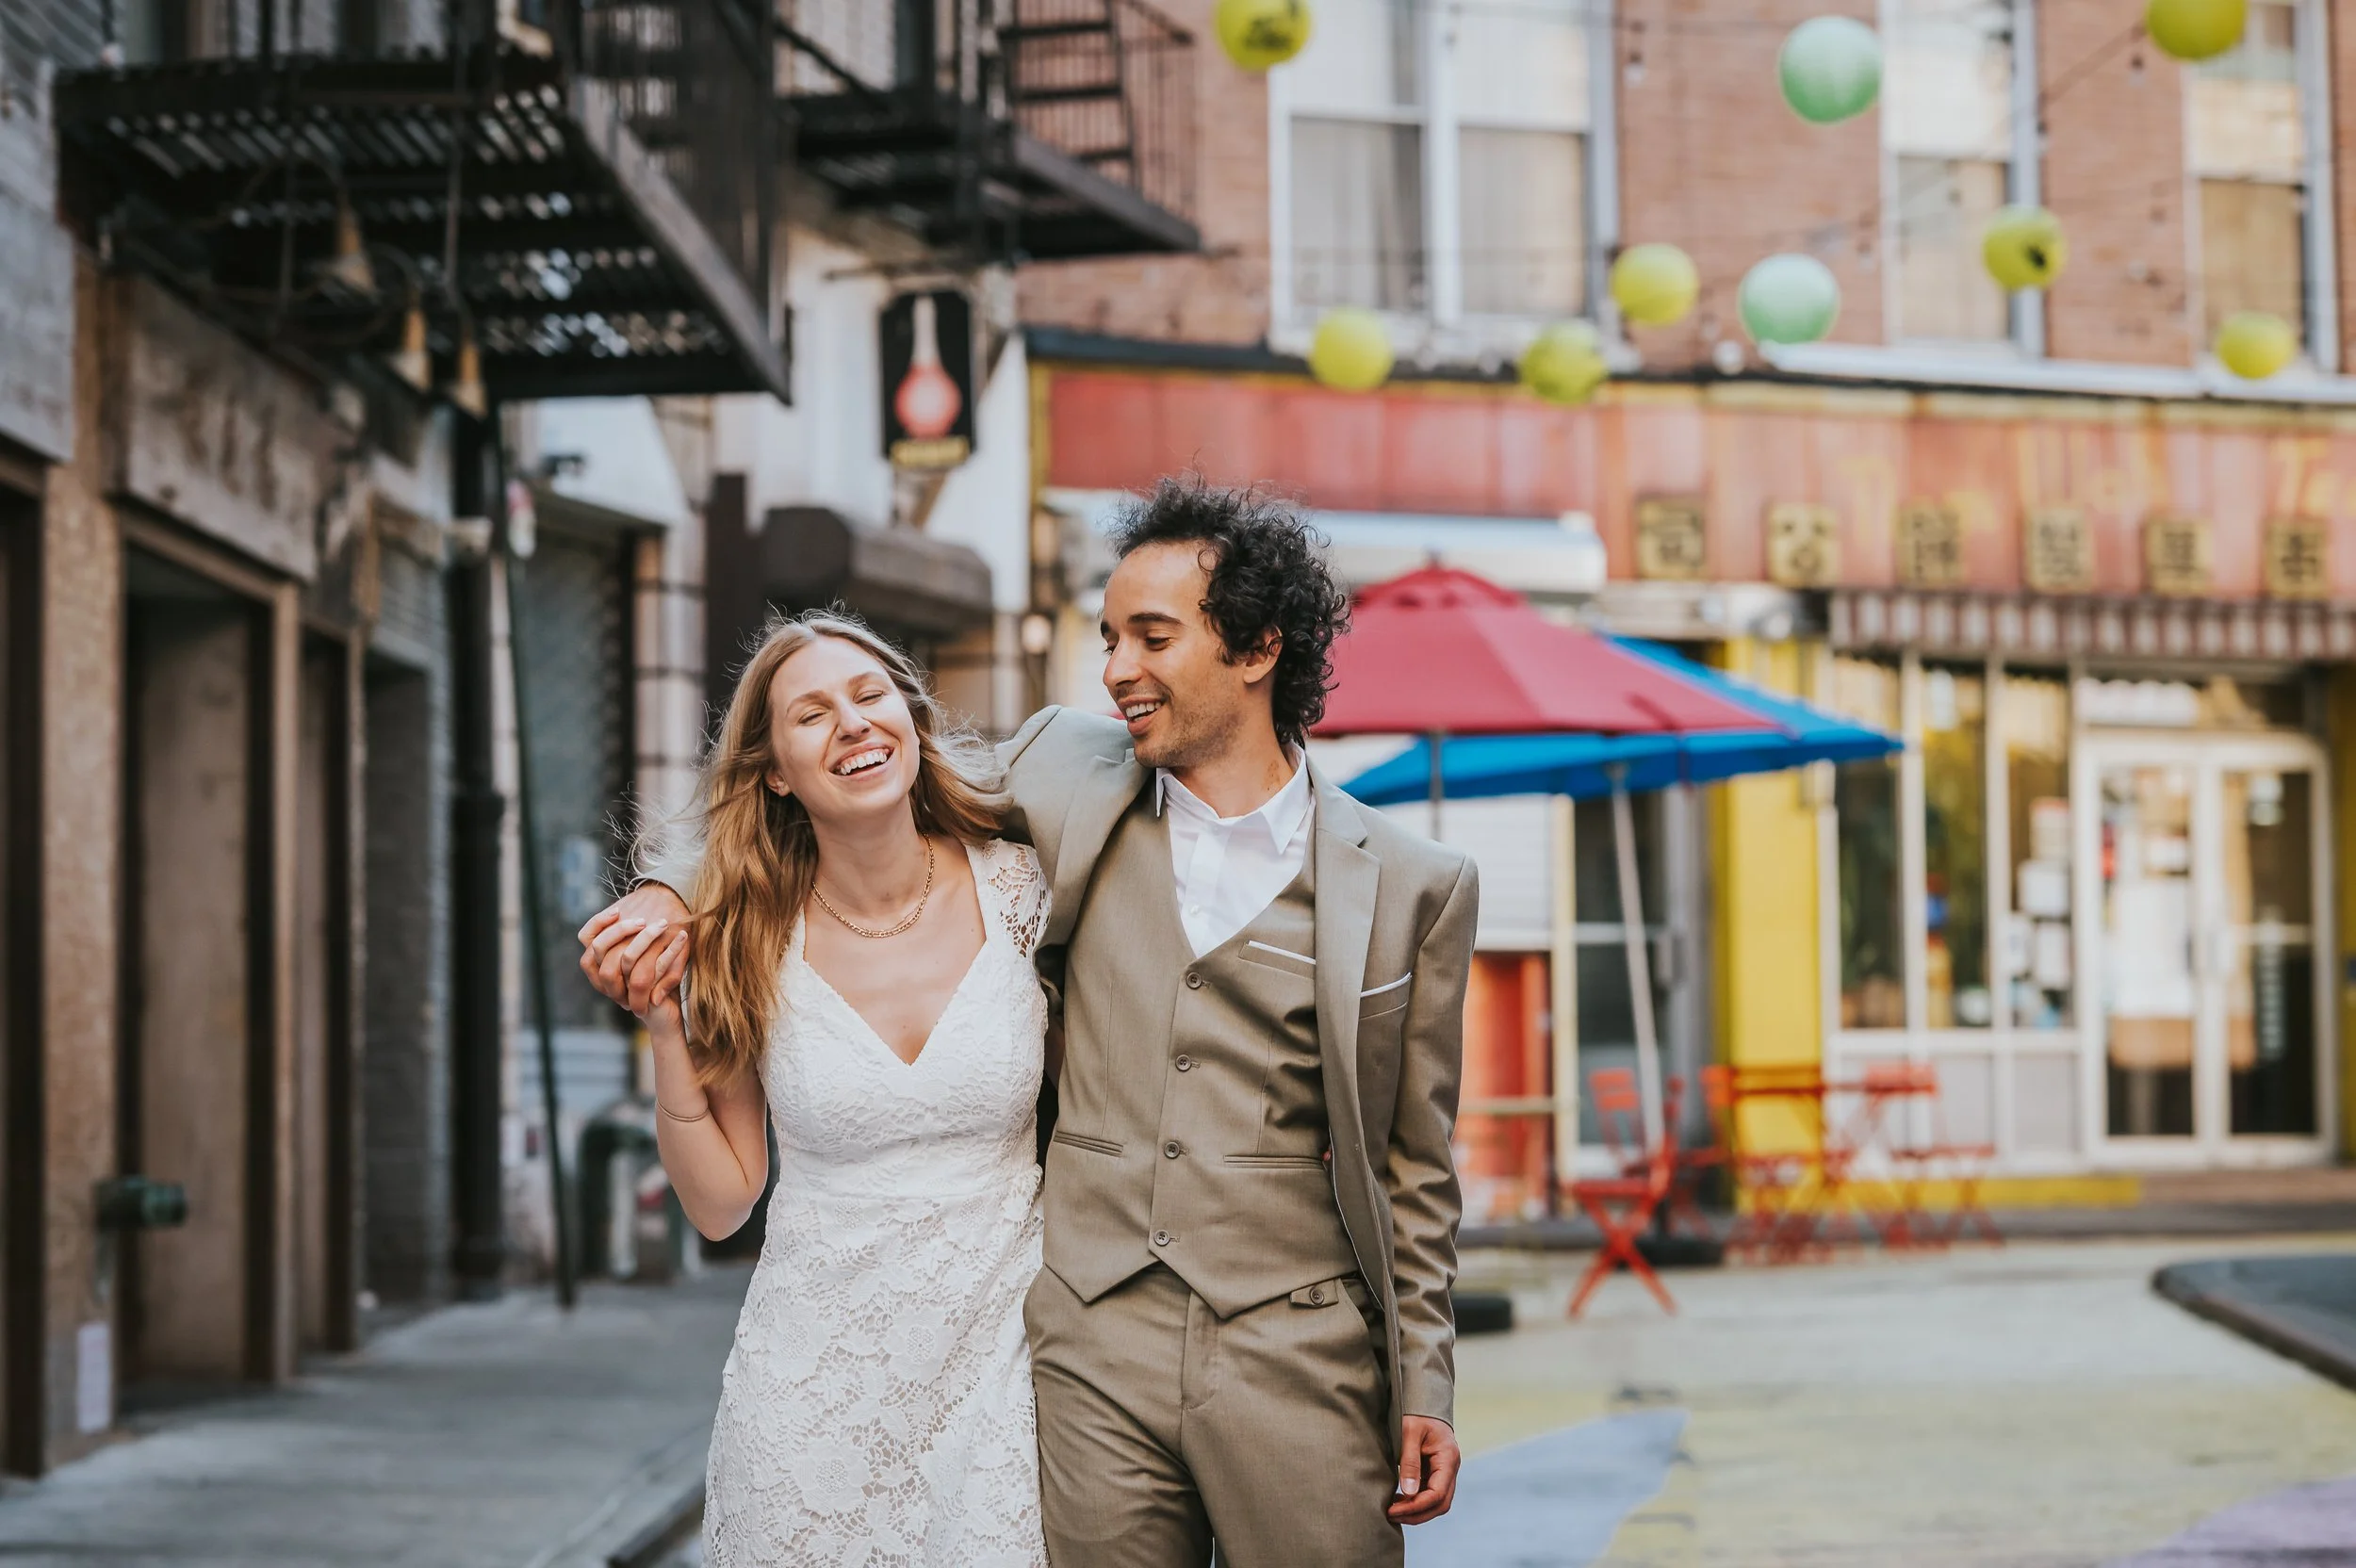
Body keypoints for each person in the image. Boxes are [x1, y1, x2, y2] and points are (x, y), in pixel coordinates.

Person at [584, 479, 1479, 1566]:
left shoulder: (1411, 884)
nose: (1113, 670)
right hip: (1082, 1344)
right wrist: (670, 898)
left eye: (1151, 636)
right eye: (1109, 636)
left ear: (1256, 650)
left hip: (1295, 1344)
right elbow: (846, 805)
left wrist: (1423, 1373)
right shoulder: (1068, 770)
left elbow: (1413, 1161)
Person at [583, 611, 1053, 1565]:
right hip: (812, 1393)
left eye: (871, 694)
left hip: (1006, 1369)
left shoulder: (1024, 890)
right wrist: (667, 1026)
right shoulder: (747, 939)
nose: (852, 723)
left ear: (913, 720)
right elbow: (721, 1203)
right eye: (811, 713)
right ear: (773, 770)